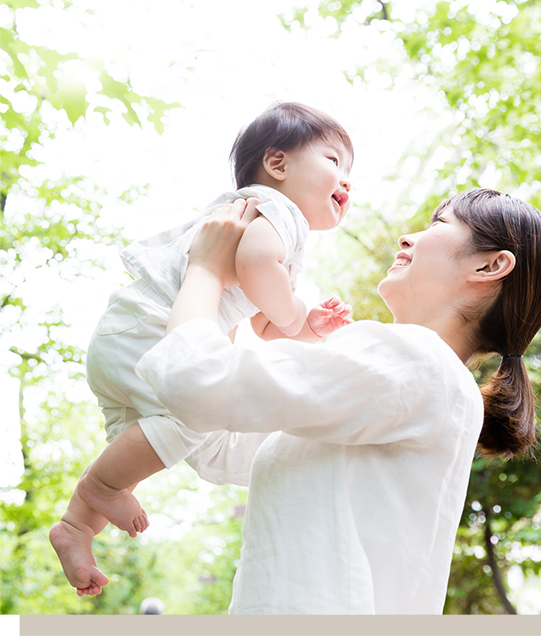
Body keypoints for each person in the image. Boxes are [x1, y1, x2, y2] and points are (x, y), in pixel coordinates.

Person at [134, 189, 541, 614]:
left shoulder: (419, 362)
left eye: (438, 225)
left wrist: (205, 269)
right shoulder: (424, 381)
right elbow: (218, 450)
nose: (407, 238)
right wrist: (231, 298)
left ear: (490, 264)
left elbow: (194, 379)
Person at [49, 102, 354, 597]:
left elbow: (262, 322)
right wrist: (298, 313)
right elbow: (257, 264)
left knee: (139, 445)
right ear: (278, 165)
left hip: (130, 335)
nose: (346, 181)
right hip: (151, 334)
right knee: (199, 413)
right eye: (334, 161)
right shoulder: (279, 211)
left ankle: (77, 526)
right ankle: (100, 489)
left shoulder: (261, 221)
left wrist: (307, 326)